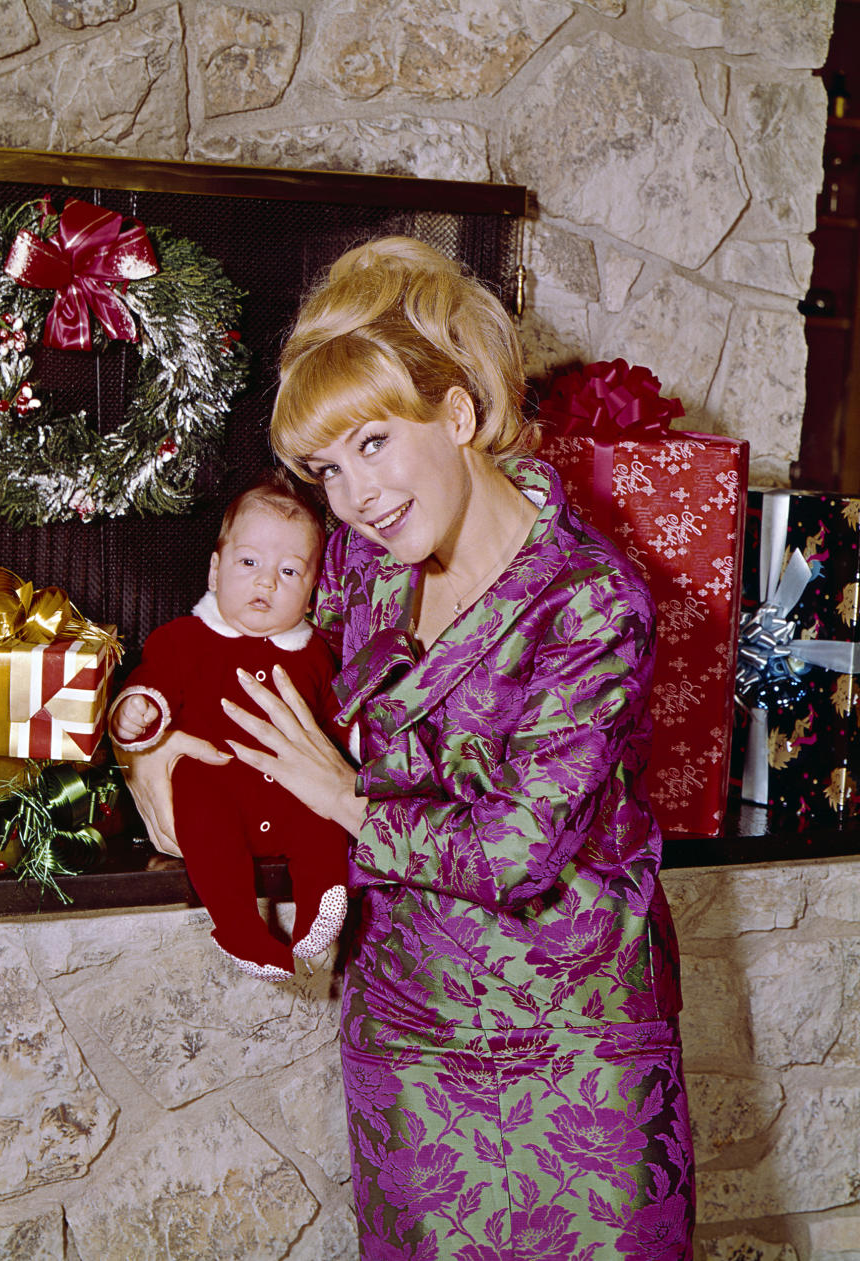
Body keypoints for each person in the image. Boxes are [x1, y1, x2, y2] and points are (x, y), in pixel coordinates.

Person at [121, 237, 696, 1258]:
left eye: (375, 444)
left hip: (580, 1049)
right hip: (408, 1033)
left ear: (461, 415)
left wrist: (346, 804)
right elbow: (231, 652)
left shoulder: (594, 602)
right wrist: (154, 743)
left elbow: (516, 855)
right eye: (328, 468)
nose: (354, 496)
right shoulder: (358, 559)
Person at [109, 470, 350, 981]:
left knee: (325, 816)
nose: (266, 581)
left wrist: (358, 740)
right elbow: (153, 680)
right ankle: (238, 926)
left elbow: (336, 718)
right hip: (218, 783)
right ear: (215, 572)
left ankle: (320, 909)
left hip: (293, 789)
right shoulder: (185, 638)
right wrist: (138, 708)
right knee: (200, 806)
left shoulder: (314, 655)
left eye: (289, 572)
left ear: (311, 592)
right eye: (249, 562)